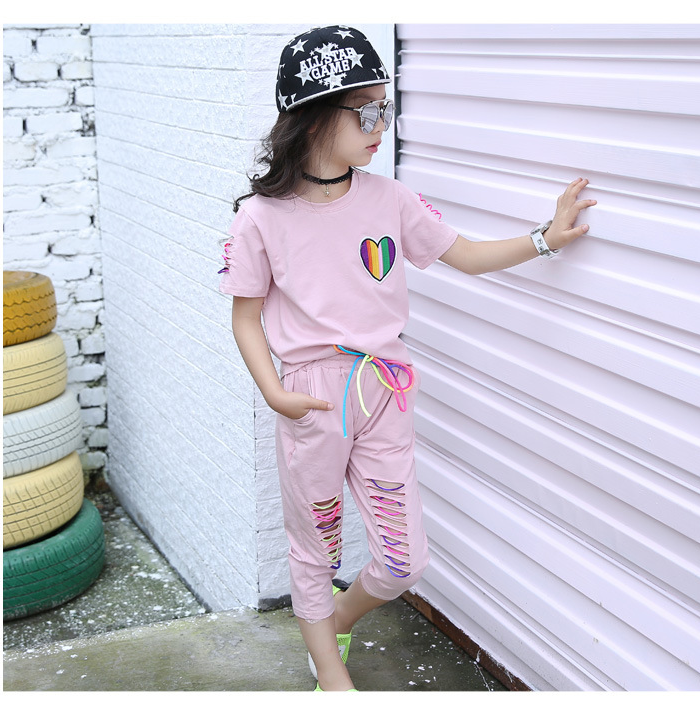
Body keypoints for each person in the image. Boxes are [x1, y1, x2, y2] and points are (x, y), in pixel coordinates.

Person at [219, 25, 596, 692]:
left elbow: (466, 254)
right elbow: (245, 315)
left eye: (384, 109)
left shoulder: (390, 199)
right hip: (311, 397)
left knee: (402, 561)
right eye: (365, 112)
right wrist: (275, 392)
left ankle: (336, 617)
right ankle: (330, 671)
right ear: (313, 116)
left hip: (384, 390)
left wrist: (544, 238)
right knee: (317, 545)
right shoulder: (261, 217)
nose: (381, 126)